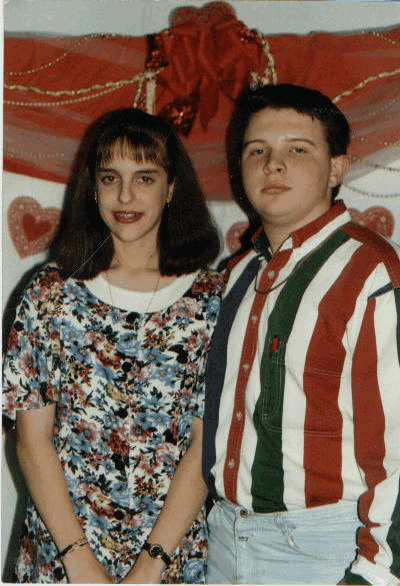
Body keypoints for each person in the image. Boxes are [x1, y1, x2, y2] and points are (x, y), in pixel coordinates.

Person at [2, 107, 224, 584]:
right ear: (93, 188)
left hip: (171, 559)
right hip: (60, 557)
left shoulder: (212, 301)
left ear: (171, 188)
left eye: (145, 178)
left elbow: (204, 446)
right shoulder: (50, 294)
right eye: (110, 178)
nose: (125, 196)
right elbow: (32, 439)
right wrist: (77, 560)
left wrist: (150, 567)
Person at [203, 83, 400, 585]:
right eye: (257, 151)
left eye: (297, 150)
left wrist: (375, 574)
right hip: (223, 540)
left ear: (336, 168)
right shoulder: (239, 273)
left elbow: (397, 446)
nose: (273, 165)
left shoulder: (372, 272)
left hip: (322, 552)